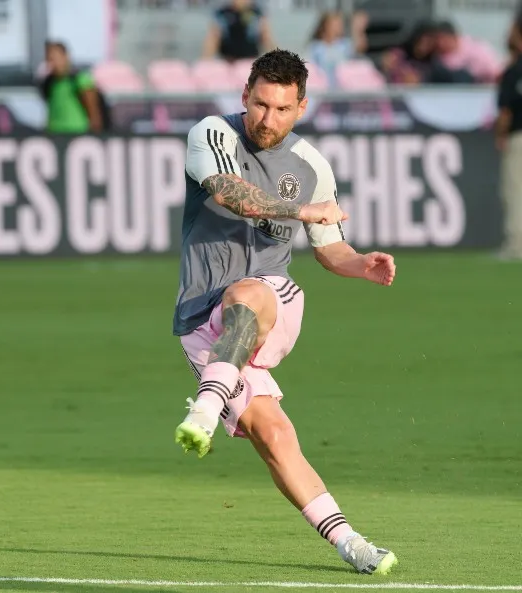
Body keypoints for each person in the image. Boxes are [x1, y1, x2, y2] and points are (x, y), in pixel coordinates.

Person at [173, 49, 399, 576]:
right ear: (244, 96)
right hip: (199, 322)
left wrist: (359, 263)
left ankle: (204, 409)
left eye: (280, 109)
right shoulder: (211, 134)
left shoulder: (311, 165)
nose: (266, 119)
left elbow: (329, 248)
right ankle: (351, 543)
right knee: (275, 438)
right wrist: (301, 210)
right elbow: (234, 195)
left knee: (248, 294)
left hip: (273, 300)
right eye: (258, 104)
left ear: (301, 107)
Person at [495, 15, 522, 259]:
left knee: (516, 192)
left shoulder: (515, 70)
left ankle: (517, 246)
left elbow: (505, 111)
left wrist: (500, 134)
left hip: (518, 137)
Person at [40, 41, 105, 134]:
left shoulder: (79, 79)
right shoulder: (49, 82)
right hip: (55, 133)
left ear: (65, 57)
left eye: (55, 58)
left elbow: (93, 111)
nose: (52, 63)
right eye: (49, 59)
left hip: (76, 133)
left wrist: (94, 133)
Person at [307, 10, 368, 87]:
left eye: (340, 24)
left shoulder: (344, 45)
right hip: (323, 89)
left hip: (343, 89)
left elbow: (360, 47)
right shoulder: (316, 47)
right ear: (326, 25)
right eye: (335, 24)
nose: (339, 26)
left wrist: (357, 28)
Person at [202, 0, 274, 62]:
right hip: (227, 60)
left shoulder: (257, 13)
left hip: (250, 61)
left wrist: (278, 61)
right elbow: (212, 40)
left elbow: (266, 39)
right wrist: (205, 61)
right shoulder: (222, 13)